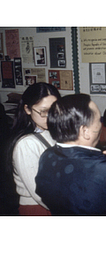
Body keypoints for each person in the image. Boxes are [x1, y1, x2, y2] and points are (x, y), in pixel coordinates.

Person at [6, 82, 61, 216]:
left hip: (57, 201)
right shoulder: (26, 144)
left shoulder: (53, 132)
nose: (51, 116)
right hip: (40, 207)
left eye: (54, 110)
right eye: (43, 111)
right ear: (28, 109)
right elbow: (39, 192)